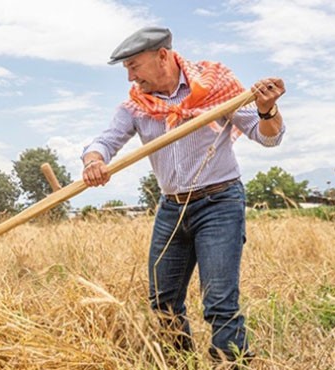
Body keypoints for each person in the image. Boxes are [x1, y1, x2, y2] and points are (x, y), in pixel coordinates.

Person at [81, 27, 285, 364]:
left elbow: (267, 138)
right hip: (171, 208)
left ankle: (230, 363)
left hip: (219, 203)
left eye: (135, 66)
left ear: (163, 56)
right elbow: (105, 141)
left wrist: (267, 111)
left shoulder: (215, 89)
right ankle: (178, 363)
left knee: (219, 301)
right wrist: (94, 161)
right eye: (127, 70)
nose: (131, 77)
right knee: (163, 300)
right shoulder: (136, 105)